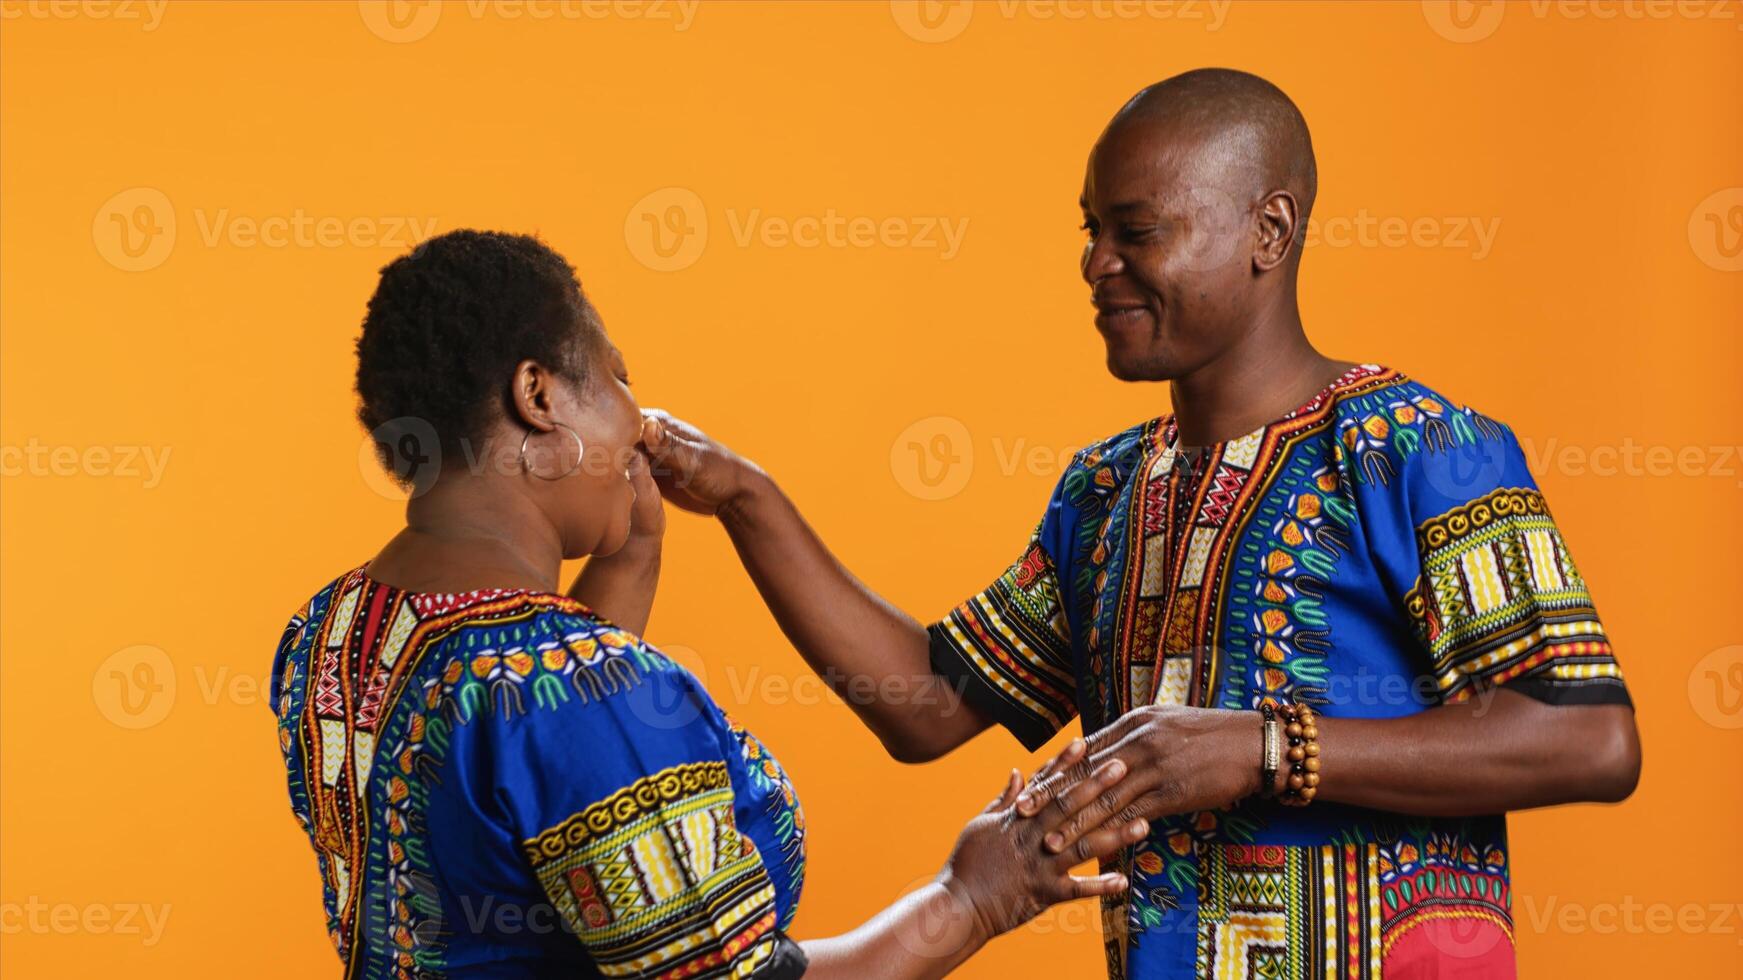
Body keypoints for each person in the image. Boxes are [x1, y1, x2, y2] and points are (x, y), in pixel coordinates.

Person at [638, 69, 1641, 979]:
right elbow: (927, 702)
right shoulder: (1105, 493)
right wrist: (743, 496)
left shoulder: (1418, 448)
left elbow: (1590, 737)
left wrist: (1267, 747)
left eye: (1137, 230)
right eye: (1090, 229)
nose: (1095, 262)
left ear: (1269, 231)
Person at [270, 229, 1152, 978]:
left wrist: (638, 541)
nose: (640, 419)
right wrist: (973, 897)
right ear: (539, 397)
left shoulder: (333, 627)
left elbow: (542, 791)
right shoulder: (586, 691)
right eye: (617, 380)